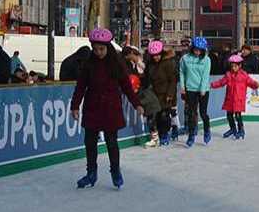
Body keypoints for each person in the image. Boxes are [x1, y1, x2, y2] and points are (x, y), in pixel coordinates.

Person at [69, 28, 144, 189]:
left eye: (101, 49)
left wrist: (136, 103)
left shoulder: (116, 63)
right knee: (90, 142)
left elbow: (126, 87)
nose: (98, 52)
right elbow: (81, 87)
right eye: (95, 49)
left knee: (111, 142)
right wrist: (75, 106)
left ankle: (115, 171)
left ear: (108, 47)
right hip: (93, 107)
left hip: (111, 108)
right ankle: (91, 173)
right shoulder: (89, 64)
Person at [211, 54, 259, 140]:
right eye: (232, 66)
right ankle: (233, 129)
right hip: (230, 99)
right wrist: (212, 85)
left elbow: (251, 82)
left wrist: (255, 85)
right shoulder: (228, 75)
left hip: (238, 99)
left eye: (235, 66)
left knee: (238, 116)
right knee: (229, 115)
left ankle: (241, 130)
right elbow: (221, 82)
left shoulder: (244, 75)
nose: (233, 68)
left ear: (240, 65)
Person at [180, 36, 213, 147]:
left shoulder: (206, 60)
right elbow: (182, 73)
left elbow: (205, 75)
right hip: (190, 89)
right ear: (192, 48)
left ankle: (207, 129)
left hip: (203, 90)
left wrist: (203, 89)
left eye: (200, 50)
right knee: (191, 113)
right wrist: (182, 87)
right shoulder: (185, 58)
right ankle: (191, 135)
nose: (197, 52)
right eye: (196, 49)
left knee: (203, 113)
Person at [144, 40, 178, 146]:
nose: (156, 58)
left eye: (157, 55)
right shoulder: (150, 64)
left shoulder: (168, 63)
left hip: (165, 94)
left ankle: (164, 134)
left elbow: (173, 80)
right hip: (154, 94)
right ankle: (156, 136)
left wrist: (170, 94)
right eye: (154, 56)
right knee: (154, 116)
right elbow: (146, 78)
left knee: (164, 116)